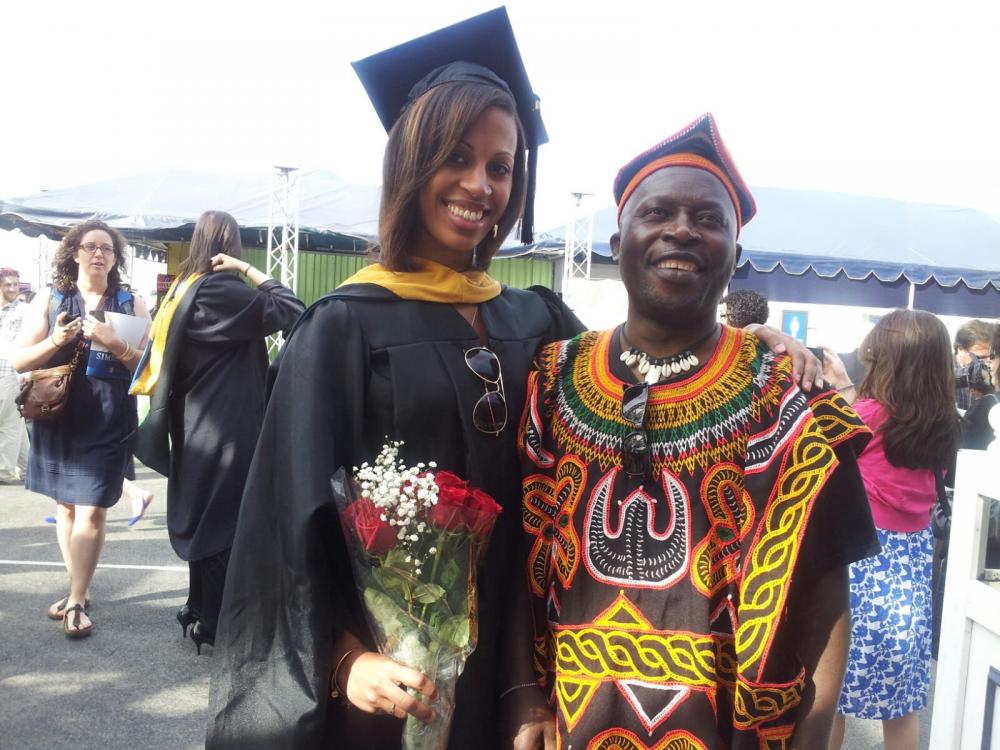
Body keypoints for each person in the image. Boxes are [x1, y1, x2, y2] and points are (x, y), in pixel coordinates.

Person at [204, 13, 823, 750]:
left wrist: (748, 344)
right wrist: (345, 661)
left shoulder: (536, 319)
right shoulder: (342, 329)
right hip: (396, 685)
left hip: (528, 674)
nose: (481, 186)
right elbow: (283, 532)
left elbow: (644, 373)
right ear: (410, 164)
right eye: (457, 158)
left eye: (501, 168)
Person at [513, 114, 879, 749]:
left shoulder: (790, 398)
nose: (681, 230)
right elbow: (517, 563)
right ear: (616, 239)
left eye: (709, 219)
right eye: (657, 213)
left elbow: (826, 593)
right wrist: (522, 699)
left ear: (735, 253)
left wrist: (813, 738)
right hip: (566, 730)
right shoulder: (551, 379)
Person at [131, 209, 304, 653]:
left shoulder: (181, 291)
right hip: (230, 426)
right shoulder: (224, 289)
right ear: (229, 244)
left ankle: (198, 609)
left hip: (193, 422)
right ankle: (217, 621)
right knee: (225, 524)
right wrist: (247, 270)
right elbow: (293, 311)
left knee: (205, 517)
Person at [823, 310, 958, 750]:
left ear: (887, 361)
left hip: (862, 565)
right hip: (911, 570)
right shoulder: (943, 422)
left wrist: (841, 388)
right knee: (901, 706)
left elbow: (826, 454)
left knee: (834, 695)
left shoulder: (866, 415)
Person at [12, 219, 151, 638]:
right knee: (66, 507)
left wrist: (114, 341)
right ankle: (80, 589)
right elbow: (20, 361)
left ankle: (75, 600)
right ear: (74, 252)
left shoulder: (131, 302)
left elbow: (149, 368)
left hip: (109, 417)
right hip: (60, 414)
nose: (98, 253)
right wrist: (55, 339)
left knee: (91, 507)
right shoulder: (51, 299)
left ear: (115, 257)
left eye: (106, 248)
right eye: (89, 246)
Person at [0, 267, 29, 483]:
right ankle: (30, 468)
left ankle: (4, 472)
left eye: (15, 284)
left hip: (12, 372)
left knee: (8, 423)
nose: (12, 289)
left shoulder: (23, 311)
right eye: (8, 284)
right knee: (15, 423)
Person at [953, 319, 995, 411]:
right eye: (982, 357)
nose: (989, 363)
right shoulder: (940, 371)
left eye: (992, 356)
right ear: (960, 349)